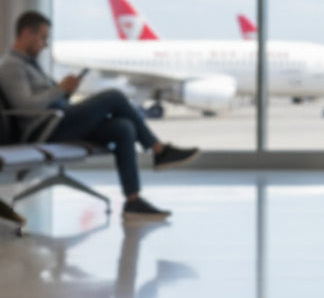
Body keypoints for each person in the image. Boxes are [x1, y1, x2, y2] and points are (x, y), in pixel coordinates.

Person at [0, 11, 199, 221]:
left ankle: (133, 200)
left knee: (124, 127)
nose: (45, 44)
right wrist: (58, 89)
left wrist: (66, 92)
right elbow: (25, 106)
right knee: (114, 96)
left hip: (57, 121)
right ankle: (159, 149)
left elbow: (47, 101)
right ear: (25, 33)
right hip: (46, 129)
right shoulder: (12, 66)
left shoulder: (31, 64)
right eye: (42, 37)